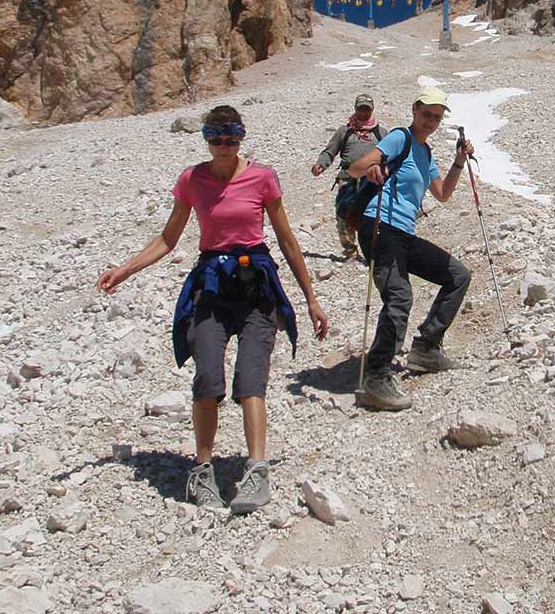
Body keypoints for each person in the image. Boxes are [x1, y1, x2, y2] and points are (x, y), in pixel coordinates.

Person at [97, 105, 328, 514]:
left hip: (255, 285)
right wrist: (126, 270)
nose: (224, 146)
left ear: (242, 137)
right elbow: (169, 237)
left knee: (250, 378)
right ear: (206, 138)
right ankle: (202, 471)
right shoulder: (192, 180)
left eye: (232, 138)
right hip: (211, 286)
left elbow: (287, 239)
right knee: (207, 377)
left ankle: (257, 469)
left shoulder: (263, 177)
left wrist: (310, 299)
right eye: (217, 138)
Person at [348, 86, 474, 411]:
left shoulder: (425, 152)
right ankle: (376, 375)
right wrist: (373, 168)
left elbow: (443, 193)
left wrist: (459, 161)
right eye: (427, 114)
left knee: (458, 275)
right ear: (415, 109)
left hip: (403, 233)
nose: (431, 120)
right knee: (400, 296)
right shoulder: (399, 138)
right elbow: (356, 167)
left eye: (437, 116)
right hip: (380, 226)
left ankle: (426, 349)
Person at [312, 94, 388, 258]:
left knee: (374, 214)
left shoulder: (381, 133)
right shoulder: (344, 131)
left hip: (373, 180)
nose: (363, 113)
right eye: (360, 109)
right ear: (355, 109)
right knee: (343, 213)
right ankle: (350, 250)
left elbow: (391, 155)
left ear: (372, 110)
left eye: (366, 109)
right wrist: (321, 165)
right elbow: (330, 151)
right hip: (348, 178)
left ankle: (374, 250)